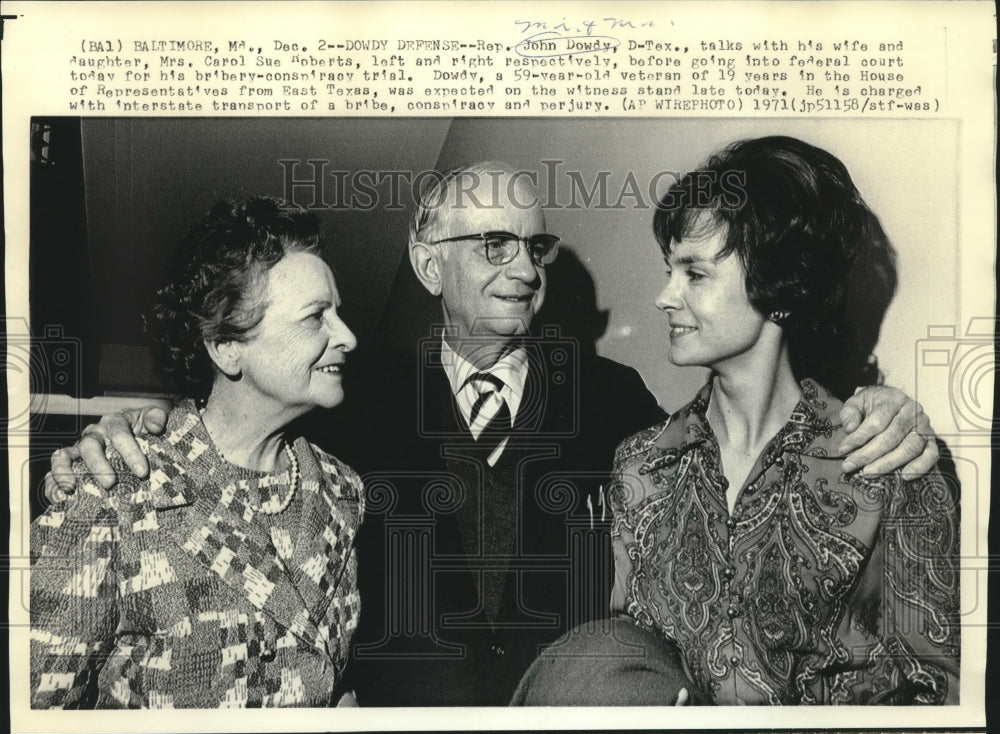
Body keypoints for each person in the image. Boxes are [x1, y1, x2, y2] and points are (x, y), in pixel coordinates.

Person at [44, 162, 941, 706]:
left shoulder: (620, 402)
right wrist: (134, 430)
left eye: (536, 248)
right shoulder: (347, 402)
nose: (524, 268)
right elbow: (232, 444)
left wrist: (880, 404)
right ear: (428, 263)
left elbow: (746, 457)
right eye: (494, 245)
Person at [599, 136, 958, 705]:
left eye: (695, 273)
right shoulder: (640, 468)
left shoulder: (887, 461)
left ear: (782, 287)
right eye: (670, 270)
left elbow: (937, 696)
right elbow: (620, 662)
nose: (664, 297)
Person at [30, 197, 364, 708]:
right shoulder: (115, 488)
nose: (348, 336)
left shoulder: (345, 495)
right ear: (226, 347)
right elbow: (36, 730)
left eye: (338, 312)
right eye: (316, 316)